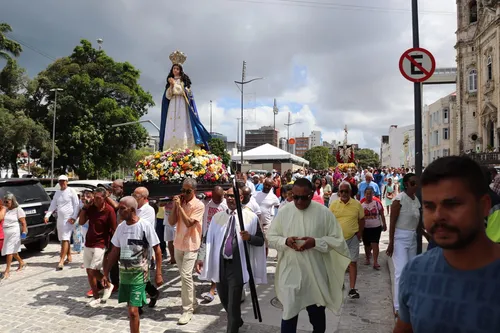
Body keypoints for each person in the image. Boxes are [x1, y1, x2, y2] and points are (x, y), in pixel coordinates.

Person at [394, 156, 500, 333]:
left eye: (452, 204)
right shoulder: (414, 271)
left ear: (484, 206)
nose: (438, 216)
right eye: (429, 206)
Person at [268, 178, 350, 333]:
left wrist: (316, 243)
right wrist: (286, 241)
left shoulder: (324, 213)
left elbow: (338, 241)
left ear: (311, 194)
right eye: (295, 197)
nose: (298, 201)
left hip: (315, 274)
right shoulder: (285, 211)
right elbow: (271, 238)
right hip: (291, 272)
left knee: (317, 318)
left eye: (303, 197)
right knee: (289, 314)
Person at [196, 187, 266, 333]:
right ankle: (237, 320)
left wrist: (250, 238)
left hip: (237, 266)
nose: (230, 199)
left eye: (233, 196)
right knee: (225, 300)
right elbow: (207, 238)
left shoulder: (250, 217)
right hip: (220, 265)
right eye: (228, 196)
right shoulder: (218, 217)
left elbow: (260, 241)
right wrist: (201, 257)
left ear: (241, 198)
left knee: (233, 305)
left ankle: (233, 325)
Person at [102, 196, 163, 333]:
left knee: (133, 311)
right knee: (131, 312)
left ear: (132, 210)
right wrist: (105, 273)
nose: (119, 212)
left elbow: (158, 250)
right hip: (125, 275)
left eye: (122, 209)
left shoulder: (145, 226)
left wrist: (158, 273)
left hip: (139, 275)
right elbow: (114, 251)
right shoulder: (120, 228)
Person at [386, 173, 426, 317]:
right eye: (413, 183)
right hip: (400, 238)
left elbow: (417, 224)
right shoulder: (399, 200)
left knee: (410, 272)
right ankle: (397, 306)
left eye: (417, 183)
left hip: (412, 238)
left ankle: (408, 303)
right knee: (400, 272)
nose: (416, 186)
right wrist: (391, 243)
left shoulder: (416, 200)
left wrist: (426, 235)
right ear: (406, 184)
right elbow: (392, 223)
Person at [168, 178, 205, 325]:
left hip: (191, 244)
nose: (184, 193)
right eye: (182, 190)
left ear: (193, 191)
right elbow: (171, 222)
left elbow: (190, 223)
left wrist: (181, 208)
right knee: (184, 277)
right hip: (178, 243)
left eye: (187, 191)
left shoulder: (199, 205)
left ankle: (187, 309)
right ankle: (194, 303)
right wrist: (175, 207)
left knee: (186, 275)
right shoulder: (180, 203)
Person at [158, 50, 211, 151]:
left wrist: (175, 84)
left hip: (182, 105)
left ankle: (185, 147)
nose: (175, 70)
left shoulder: (183, 82)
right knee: (171, 124)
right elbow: (168, 96)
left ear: (180, 70)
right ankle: (170, 148)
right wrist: (171, 86)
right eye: (174, 68)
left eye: (177, 69)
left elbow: (183, 92)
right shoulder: (170, 82)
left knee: (182, 124)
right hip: (173, 105)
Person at [78, 187, 117, 307]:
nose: (95, 199)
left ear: (104, 198)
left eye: (98, 198)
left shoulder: (109, 210)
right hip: (89, 242)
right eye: (94, 197)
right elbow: (81, 222)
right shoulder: (91, 208)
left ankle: (108, 285)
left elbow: (115, 228)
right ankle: (95, 297)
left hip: (101, 243)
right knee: (89, 271)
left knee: (93, 270)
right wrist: (85, 207)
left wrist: (113, 247)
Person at [329, 181, 365, 299]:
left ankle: (352, 289)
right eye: (341, 191)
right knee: (338, 264)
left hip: (352, 238)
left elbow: (362, 219)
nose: (344, 193)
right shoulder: (333, 205)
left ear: (350, 192)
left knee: (353, 263)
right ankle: (340, 285)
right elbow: (329, 221)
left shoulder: (357, 204)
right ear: (339, 192)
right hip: (338, 239)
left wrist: (359, 235)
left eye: (346, 191)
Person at [44, 175, 80, 270]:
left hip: (68, 219)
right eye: (60, 181)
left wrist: (74, 217)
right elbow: (53, 205)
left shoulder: (71, 191)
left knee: (65, 238)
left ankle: (61, 260)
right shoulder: (57, 193)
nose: (62, 183)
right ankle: (68, 256)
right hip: (60, 219)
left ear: (67, 182)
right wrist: (47, 215)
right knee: (63, 239)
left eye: (64, 181)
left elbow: (76, 205)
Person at [201, 185, 228, 303]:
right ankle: (216, 283)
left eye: (219, 198)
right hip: (207, 235)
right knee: (207, 260)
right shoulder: (206, 202)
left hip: (221, 237)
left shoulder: (226, 205)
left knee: (216, 261)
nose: (216, 201)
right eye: (214, 198)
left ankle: (212, 289)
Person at [1, 193, 27, 279]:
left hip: (14, 231)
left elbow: (23, 222)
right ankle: (21, 262)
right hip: (5, 231)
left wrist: (24, 232)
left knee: (9, 250)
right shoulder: (5, 209)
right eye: (4, 202)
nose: (5, 203)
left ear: (12, 201)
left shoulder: (18, 209)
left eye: (7, 202)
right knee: (13, 251)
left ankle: (7, 270)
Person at [361, 187, 387, 269]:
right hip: (365, 227)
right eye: (367, 193)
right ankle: (368, 258)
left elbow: (382, 214)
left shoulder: (377, 203)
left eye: (370, 193)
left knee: (375, 243)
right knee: (367, 245)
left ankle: (375, 262)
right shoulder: (361, 205)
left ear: (373, 194)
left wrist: (384, 224)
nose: (369, 195)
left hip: (376, 227)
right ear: (364, 194)